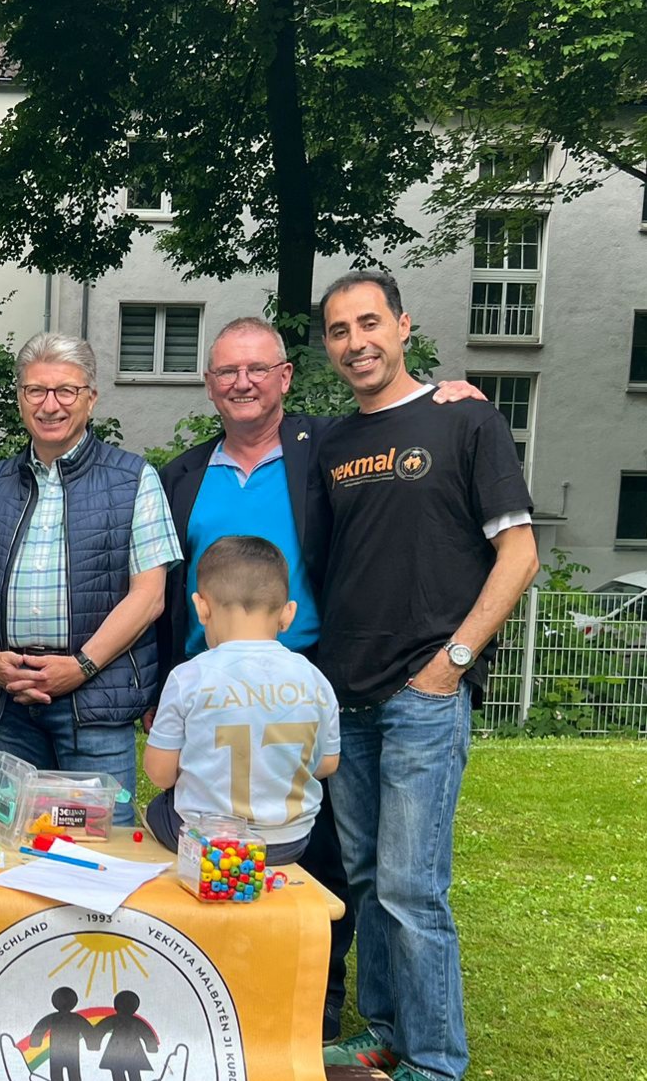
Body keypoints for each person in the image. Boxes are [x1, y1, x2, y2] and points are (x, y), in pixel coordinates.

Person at [152, 314, 482, 1042]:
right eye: (226, 372)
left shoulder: (326, 448)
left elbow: (396, 431)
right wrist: (164, 690)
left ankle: (314, 1005)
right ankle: (202, 991)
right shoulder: (181, 474)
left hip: (311, 685)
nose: (242, 383)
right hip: (205, 685)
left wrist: (448, 399)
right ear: (209, 385)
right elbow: (169, 591)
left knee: (326, 859)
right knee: (208, 840)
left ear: (285, 377)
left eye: (257, 369)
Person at [312, 270, 537, 1081]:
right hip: (347, 693)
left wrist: (454, 664)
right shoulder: (331, 445)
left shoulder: (467, 419)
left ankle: (436, 1063)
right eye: (338, 331)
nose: (355, 342)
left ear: (404, 326)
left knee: (413, 890)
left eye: (369, 322)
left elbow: (520, 552)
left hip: (423, 693)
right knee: (371, 883)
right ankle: (383, 1034)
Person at [0, 333, 179, 823]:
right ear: (20, 399)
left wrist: (79, 666)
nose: (49, 404)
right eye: (36, 391)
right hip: (9, 698)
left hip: (94, 703)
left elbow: (149, 597)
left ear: (90, 398)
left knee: (100, 851)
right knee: (12, 845)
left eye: (65, 391)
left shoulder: (133, 479)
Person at [142, 536, 340, 863]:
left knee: (157, 808)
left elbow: (160, 773)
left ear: (201, 607)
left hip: (208, 843)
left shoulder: (188, 677)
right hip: (288, 842)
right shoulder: (315, 678)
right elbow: (327, 764)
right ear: (288, 614)